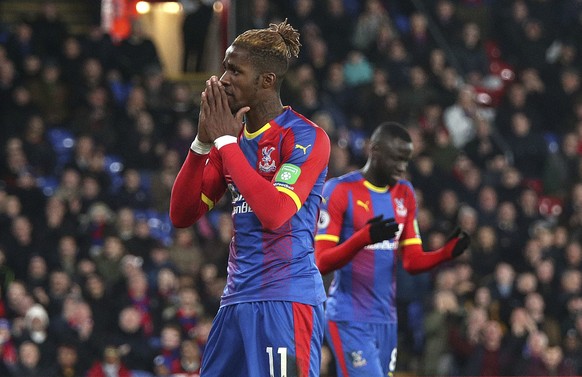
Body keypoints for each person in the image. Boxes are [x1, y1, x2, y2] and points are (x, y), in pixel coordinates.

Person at [170, 20, 331, 376]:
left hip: (286, 299)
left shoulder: (304, 136)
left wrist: (226, 144)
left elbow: (275, 213)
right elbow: (182, 215)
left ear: (266, 81)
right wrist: (201, 144)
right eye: (225, 67)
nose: (224, 79)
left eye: (235, 70)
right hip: (236, 300)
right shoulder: (232, 140)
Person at [314, 122, 470, 376]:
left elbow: (411, 260)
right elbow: (321, 261)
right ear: (374, 151)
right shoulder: (340, 190)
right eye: (396, 160)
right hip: (348, 317)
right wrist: (362, 238)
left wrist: (445, 253)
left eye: (406, 160)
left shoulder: (405, 193)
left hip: (387, 319)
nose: (402, 168)